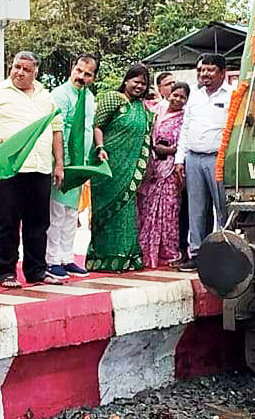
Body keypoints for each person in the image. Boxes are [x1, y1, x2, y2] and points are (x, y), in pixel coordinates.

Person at [0, 51, 65, 289]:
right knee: (8, 222)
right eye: (16, 67)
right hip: (9, 169)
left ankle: (36, 271)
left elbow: (56, 130)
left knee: (38, 223)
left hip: (40, 167)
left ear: (36, 72)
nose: (20, 72)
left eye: (26, 69)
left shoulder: (46, 96)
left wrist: (59, 165)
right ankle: (6, 272)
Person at [87, 63, 154, 273]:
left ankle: (126, 258)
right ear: (126, 80)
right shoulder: (113, 99)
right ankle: (101, 259)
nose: (139, 86)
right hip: (108, 164)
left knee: (126, 213)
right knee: (105, 211)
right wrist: (100, 147)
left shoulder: (142, 108)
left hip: (130, 168)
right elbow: (98, 126)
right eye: (136, 81)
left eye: (143, 83)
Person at [174, 53, 235, 270]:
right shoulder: (195, 96)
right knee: (196, 208)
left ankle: (226, 251)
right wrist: (179, 160)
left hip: (218, 159)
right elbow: (185, 129)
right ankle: (197, 254)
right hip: (193, 159)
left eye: (209, 70)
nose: (204, 74)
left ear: (222, 72)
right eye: (200, 70)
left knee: (222, 207)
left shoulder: (232, 95)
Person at [46, 54, 98, 279]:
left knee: (71, 213)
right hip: (62, 163)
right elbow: (58, 130)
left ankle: (67, 258)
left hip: (80, 164)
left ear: (93, 78)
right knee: (56, 212)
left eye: (87, 74)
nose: (81, 77)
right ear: (72, 69)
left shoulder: (89, 98)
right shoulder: (60, 95)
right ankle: (51, 259)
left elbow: (89, 128)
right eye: (79, 71)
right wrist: (61, 163)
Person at [138, 81, 189, 268]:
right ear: (169, 94)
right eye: (175, 94)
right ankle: (146, 250)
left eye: (182, 97)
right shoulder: (158, 110)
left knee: (168, 210)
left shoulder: (184, 117)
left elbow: (185, 143)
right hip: (152, 165)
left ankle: (167, 252)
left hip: (170, 168)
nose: (177, 99)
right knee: (147, 207)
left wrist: (168, 151)